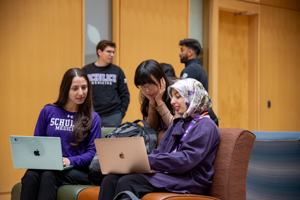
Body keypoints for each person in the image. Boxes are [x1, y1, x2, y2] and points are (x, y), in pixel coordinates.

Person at [97, 78, 220, 200]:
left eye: (178, 96)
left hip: (190, 179)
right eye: (172, 97)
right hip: (171, 173)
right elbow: (161, 150)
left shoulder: (206, 125)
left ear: (193, 97)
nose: (172, 101)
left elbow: (186, 160)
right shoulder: (179, 122)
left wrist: (150, 160)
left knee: (128, 181)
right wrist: (142, 162)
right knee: (110, 179)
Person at [20, 68, 102, 200]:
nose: (81, 92)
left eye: (84, 87)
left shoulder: (93, 117)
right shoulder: (48, 111)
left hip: (78, 170)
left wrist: (70, 160)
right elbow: (37, 143)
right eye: (75, 88)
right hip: (48, 165)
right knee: (30, 175)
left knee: (49, 175)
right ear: (66, 89)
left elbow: (92, 153)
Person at [82, 40, 130, 127]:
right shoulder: (86, 70)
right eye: (108, 52)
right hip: (91, 114)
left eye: (113, 52)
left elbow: (125, 95)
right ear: (99, 52)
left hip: (113, 116)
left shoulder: (117, 71)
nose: (111, 55)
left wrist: (120, 114)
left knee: (111, 140)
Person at [134, 59, 180, 144]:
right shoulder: (145, 93)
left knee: (162, 135)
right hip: (162, 139)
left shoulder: (177, 90)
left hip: (186, 134)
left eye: (150, 84)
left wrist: (159, 101)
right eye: (142, 86)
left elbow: (176, 127)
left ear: (161, 80)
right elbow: (151, 128)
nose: (147, 90)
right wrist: (152, 102)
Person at [179, 38, 219, 126]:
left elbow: (184, 95)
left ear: (190, 52)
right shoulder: (199, 68)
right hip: (205, 114)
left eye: (182, 50)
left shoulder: (190, 70)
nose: (179, 53)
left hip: (198, 117)